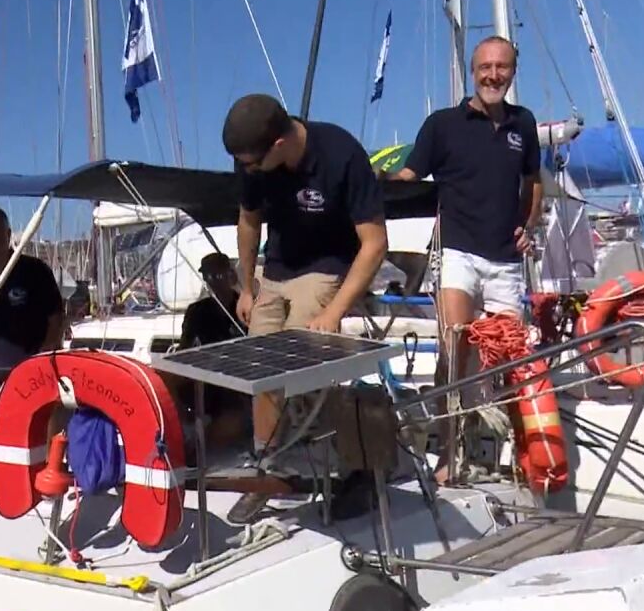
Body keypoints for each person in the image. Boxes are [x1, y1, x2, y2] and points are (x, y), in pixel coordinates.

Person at [222, 93, 388, 521]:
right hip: (276, 268)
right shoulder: (253, 163)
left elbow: (374, 244)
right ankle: (267, 465)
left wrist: (334, 313)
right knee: (260, 365)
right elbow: (248, 220)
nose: (248, 170)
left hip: (328, 266)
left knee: (301, 362)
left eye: (253, 163)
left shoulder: (341, 155)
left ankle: (350, 464)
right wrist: (246, 285)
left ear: (278, 145)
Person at [386, 36, 543, 483]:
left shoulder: (523, 124)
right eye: (485, 68)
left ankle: (519, 453)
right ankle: (449, 451)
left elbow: (533, 181)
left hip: (505, 261)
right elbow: (409, 175)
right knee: (455, 350)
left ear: (513, 72)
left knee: (509, 360)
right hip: (457, 252)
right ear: (472, 73)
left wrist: (528, 227)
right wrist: (375, 183)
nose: (493, 75)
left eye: (502, 67)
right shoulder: (442, 125)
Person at [0, 202, 66, 411]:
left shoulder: (35, 271)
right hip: (2, 380)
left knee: (46, 439)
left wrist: (43, 359)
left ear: (8, 234)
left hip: (42, 374)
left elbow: (56, 319)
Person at [177, 252, 249, 447]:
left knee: (233, 421)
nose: (214, 283)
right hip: (206, 377)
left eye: (218, 276)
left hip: (236, 383)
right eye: (208, 277)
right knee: (167, 380)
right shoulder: (196, 311)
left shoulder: (244, 308)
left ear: (230, 276)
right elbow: (184, 349)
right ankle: (180, 431)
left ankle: (202, 442)